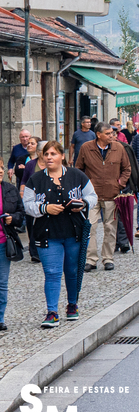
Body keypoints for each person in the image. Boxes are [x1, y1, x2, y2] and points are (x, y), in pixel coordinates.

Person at [23, 141, 98, 329]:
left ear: (62, 156)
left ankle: (72, 305)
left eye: (53, 154)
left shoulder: (76, 175)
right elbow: (27, 205)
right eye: (46, 154)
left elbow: (92, 196)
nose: (49, 157)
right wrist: (44, 208)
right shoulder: (36, 179)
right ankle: (52, 312)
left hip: (73, 233)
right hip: (47, 234)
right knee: (52, 272)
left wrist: (83, 203)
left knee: (72, 271)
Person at [75, 122, 131, 273]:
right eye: (108, 133)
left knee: (110, 228)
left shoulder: (118, 147)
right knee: (91, 227)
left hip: (112, 194)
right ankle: (91, 259)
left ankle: (108, 258)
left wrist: (120, 183)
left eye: (112, 133)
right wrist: (84, 186)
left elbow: (127, 169)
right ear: (98, 134)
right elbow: (78, 169)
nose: (111, 136)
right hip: (91, 195)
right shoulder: (86, 148)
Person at [0, 175, 25, 331]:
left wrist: (13, 218)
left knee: (2, 283)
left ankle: (0, 318)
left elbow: (21, 214)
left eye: (1, 168)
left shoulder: (10, 190)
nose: (0, 171)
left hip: (3, 242)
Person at [18, 136, 42, 262]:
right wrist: (22, 192)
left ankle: (43, 248)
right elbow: (24, 180)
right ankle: (34, 253)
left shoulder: (52, 165)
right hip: (31, 197)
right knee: (31, 224)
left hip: (46, 199)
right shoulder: (31, 164)